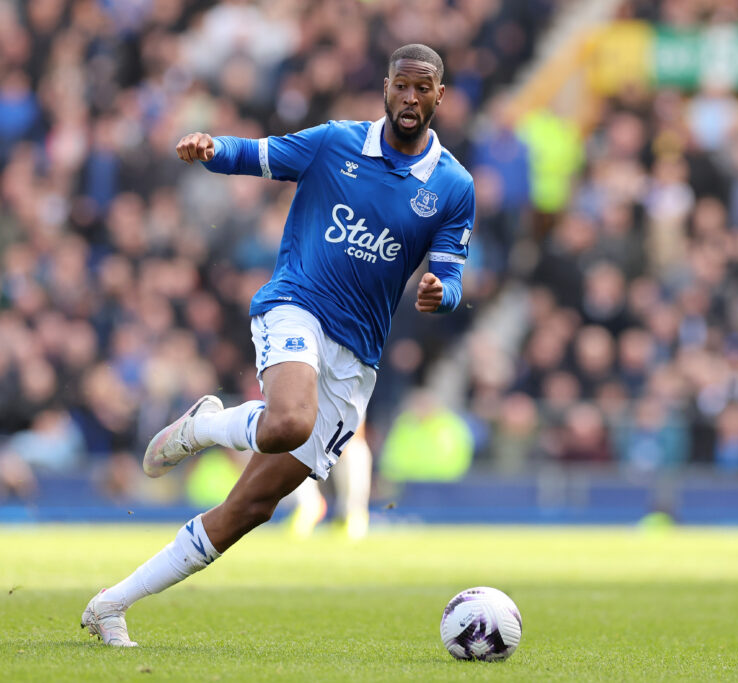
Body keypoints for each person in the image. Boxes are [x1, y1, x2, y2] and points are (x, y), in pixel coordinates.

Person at [81, 43, 475, 647]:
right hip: (297, 305)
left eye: (424, 89)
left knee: (251, 509)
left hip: (356, 357)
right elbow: (257, 154)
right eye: (402, 86)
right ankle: (207, 427)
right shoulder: (336, 143)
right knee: (290, 420)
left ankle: (112, 604)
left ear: (439, 97)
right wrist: (210, 150)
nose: (410, 99)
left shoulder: (452, 185)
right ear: (386, 87)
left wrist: (438, 293)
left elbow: (450, 275)